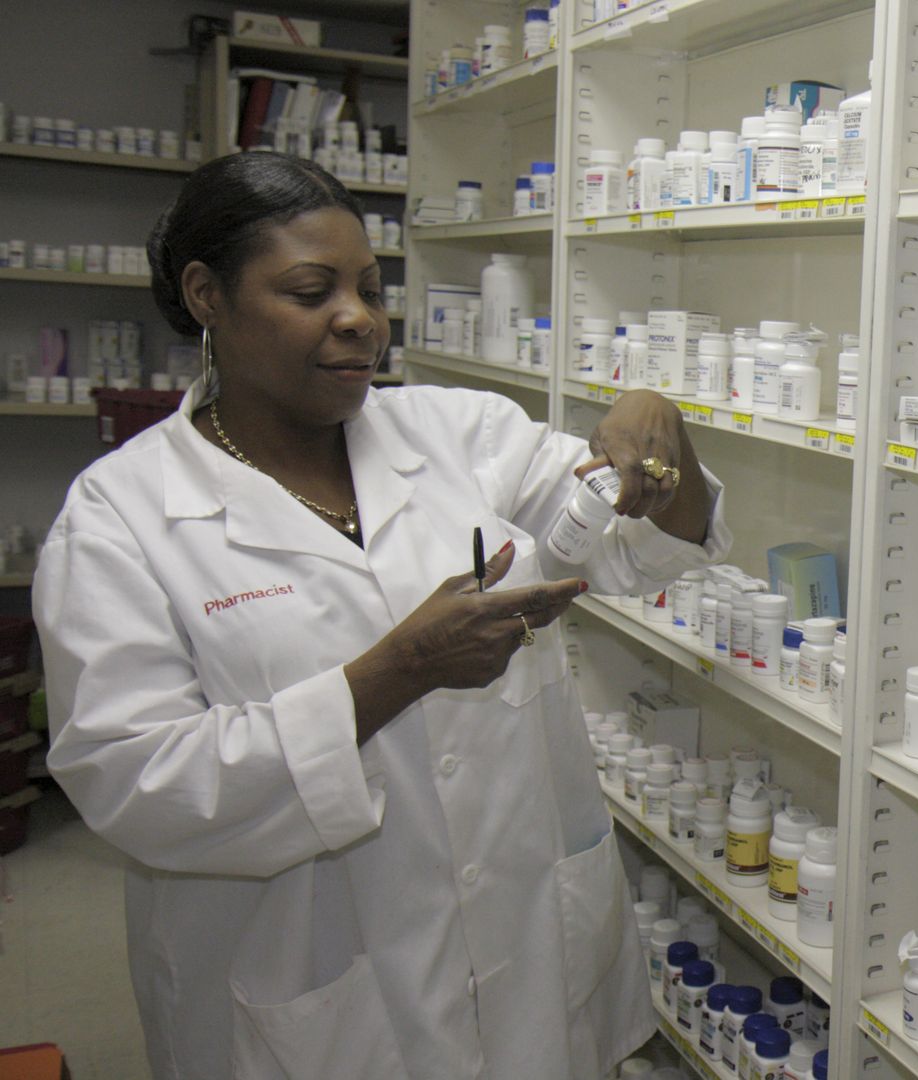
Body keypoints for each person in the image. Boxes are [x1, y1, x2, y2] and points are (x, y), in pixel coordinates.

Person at [32, 152, 730, 1079]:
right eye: (311, 290)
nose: (359, 317)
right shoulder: (121, 516)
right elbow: (135, 782)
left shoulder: (458, 434)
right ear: (207, 296)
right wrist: (393, 673)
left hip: (524, 952)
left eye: (369, 286)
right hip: (308, 986)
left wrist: (660, 432)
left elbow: (640, 549)